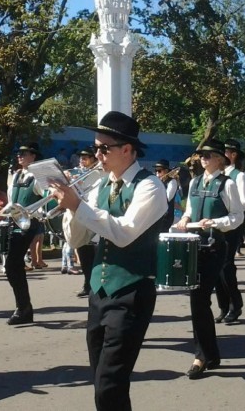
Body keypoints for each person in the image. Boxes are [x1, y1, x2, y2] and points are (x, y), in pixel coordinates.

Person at [55, 111, 165, 411]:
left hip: (131, 292)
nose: (98, 156)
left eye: (105, 149)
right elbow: (76, 240)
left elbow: (124, 233)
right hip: (99, 293)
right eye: (96, 148)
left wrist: (79, 205)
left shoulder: (150, 187)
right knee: (104, 380)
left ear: (127, 149)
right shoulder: (99, 186)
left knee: (109, 383)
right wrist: (71, 207)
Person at [174, 139, 243, 379]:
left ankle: (201, 356)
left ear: (220, 159)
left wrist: (215, 222)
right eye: (201, 155)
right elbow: (190, 210)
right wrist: (185, 219)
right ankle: (210, 354)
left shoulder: (228, 184)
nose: (203, 158)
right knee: (198, 301)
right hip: (194, 246)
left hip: (215, 247)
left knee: (199, 299)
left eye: (208, 154)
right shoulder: (194, 182)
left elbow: (237, 217)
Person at [4, 143, 43, 324]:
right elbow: (11, 202)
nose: (20, 156)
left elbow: (46, 198)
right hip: (15, 221)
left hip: (28, 224)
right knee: (13, 266)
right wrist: (0, 213)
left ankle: (23, 308)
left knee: (12, 264)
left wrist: (36, 213)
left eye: (24, 153)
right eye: (18, 153)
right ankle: (24, 307)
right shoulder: (16, 175)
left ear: (33, 156)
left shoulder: (37, 176)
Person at [215, 139, 245, 324]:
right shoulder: (216, 176)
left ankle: (235, 305)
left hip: (232, 226)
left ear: (233, 155)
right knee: (215, 268)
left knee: (226, 267)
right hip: (217, 226)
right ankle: (223, 306)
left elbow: (243, 203)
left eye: (224, 152)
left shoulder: (238, 176)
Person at [71, 146, 101, 298]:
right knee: (82, 252)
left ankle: (94, 285)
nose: (82, 160)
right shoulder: (77, 173)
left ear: (93, 159)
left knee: (95, 254)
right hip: (80, 215)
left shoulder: (98, 174)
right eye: (81, 158)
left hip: (92, 214)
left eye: (86, 157)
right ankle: (87, 283)